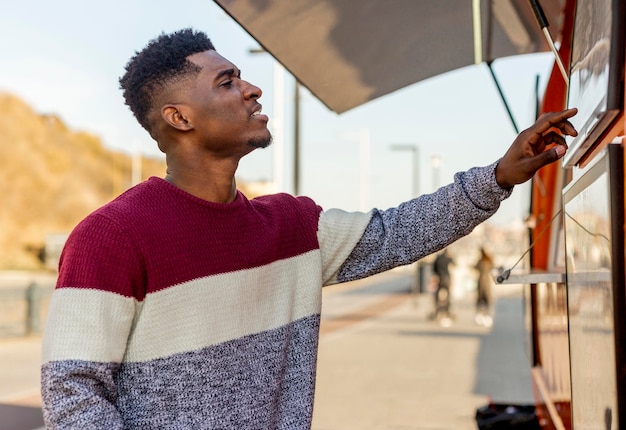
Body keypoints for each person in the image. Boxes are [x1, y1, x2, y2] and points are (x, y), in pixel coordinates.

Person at [39, 28, 578, 429]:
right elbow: (72, 395)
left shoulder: (292, 227)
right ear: (180, 118)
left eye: (241, 76)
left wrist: (500, 177)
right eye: (227, 81)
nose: (252, 89)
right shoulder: (110, 235)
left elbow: (398, 232)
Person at [432, 248, 454, 325]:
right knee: (447, 296)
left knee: (437, 296)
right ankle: (447, 311)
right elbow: (454, 264)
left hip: (439, 278)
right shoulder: (448, 258)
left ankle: (438, 311)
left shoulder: (438, 258)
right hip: (446, 278)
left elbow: (434, 268)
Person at [475, 247, 495, 327]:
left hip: (481, 281)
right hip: (487, 281)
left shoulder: (480, 261)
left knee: (480, 299)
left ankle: (479, 315)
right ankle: (487, 316)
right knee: (487, 299)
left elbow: (475, 267)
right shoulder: (488, 260)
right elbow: (493, 267)